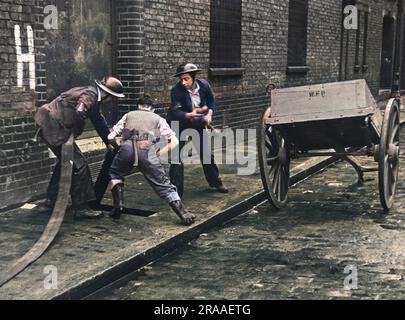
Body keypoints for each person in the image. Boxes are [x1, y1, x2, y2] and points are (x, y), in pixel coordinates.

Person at [34, 76, 125, 218]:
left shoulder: (92, 96)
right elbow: (80, 111)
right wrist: (74, 132)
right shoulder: (91, 95)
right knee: (79, 165)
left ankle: (51, 201)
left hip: (50, 123)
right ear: (109, 94)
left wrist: (109, 142)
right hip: (54, 126)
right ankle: (81, 207)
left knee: (66, 163)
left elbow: (98, 120)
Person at [107, 95, 196, 226]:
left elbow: (110, 136)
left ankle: (118, 206)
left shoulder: (128, 115)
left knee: (115, 173)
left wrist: (119, 147)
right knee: (164, 185)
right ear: (152, 109)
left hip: (126, 150)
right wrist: (159, 154)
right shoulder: (158, 119)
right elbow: (175, 142)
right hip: (148, 152)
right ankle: (183, 214)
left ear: (138, 106)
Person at [167, 63, 228, 198]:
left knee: (206, 154)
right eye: (181, 79)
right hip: (179, 125)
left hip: (197, 125)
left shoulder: (204, 85)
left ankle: (216, 182)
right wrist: (187, 115)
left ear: (194, 77)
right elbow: (175, 112)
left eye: (186, 79)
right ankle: (175, 192)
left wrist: (209, 114)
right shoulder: (176, 91)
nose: (183, 82)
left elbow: (211, 101)